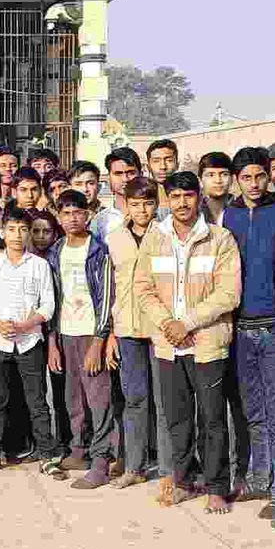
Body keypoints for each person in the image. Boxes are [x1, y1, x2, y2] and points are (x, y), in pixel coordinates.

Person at [134, 171, 243, 513]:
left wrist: (188, 323)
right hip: (169, 345)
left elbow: (229, 293)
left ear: (199, 197)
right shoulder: (155, 237)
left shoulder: (220, 238)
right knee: (177, 419)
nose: (182, 203)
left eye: (188, 196)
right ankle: (183, 481)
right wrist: (168, 323)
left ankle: (216, 487)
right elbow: (143, 288)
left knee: (213, 419)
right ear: (167, 200)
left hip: (207, 343)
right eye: (175, 197)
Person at [222, 146, 275, 503]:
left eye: (259, 176)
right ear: (237, 180)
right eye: (246, 178)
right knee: (253, 410)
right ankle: (259, 478)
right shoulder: (229, 215)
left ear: (269, 176)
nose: (253, 184)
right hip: (241, 328)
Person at [0, 206, 58, 475]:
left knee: (37, 402)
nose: (17, 235)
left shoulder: (39, 265)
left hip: (30, 341)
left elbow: (48, 306)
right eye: (12, 229)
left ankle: (47, 455)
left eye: (23, 229)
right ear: (2, 233)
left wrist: (25, 325)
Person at [44, 190, 116, 487]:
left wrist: (99, 340)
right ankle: (79, 450)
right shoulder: (55, 251)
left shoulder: (99, 250)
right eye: (66, 213)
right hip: (65, 333)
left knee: (99, 399)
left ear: (87, 214)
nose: (72, 218)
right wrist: (52, 341)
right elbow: (51, 298)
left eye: (78, 212)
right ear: (58, 217)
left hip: (90, 333)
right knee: (73, 399)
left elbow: (107, 297)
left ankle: (101, 460)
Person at [105, 178, 160, 488]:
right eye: (135, 204)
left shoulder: (166, 235)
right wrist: (111, 332)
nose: (142, 210)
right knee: (134, 399)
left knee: (165, 402)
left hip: (161, 328)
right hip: (126, 328)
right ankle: (134, 467)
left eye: (148, 203)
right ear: (126, 205)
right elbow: (110, 289)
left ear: (156, 204)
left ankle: (170, 468)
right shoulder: (114, 239)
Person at [197, 152, 234, 224]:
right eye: (211, 175)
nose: (218, 181)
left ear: (232, 179)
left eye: (224, 174)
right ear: (200, 180)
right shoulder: (193, 212)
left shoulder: (244, 210)